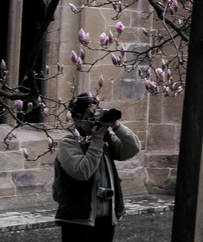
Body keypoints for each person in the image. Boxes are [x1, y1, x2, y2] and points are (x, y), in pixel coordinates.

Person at [53, 93, 141, 242]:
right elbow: (82, 172)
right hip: (77, 219)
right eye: (90, 114)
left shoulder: (106, 139)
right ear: (77, 118)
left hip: (106, 218)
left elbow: (133, 148)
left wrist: (116, 126)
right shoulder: (70, 142)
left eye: (97, 113)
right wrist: (97, 142)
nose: (95, 119)